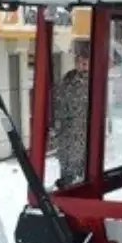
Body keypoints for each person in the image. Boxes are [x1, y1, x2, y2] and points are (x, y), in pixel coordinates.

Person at [52, 38, 90, 186]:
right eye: (80, 62)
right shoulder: (68, 80)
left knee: (82, 166)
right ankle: (67, 181)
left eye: (86, 62)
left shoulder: (96, 81)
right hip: (67, 130)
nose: (83, 65)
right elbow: (58, 102)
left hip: (85, 132)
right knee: (66, 162)